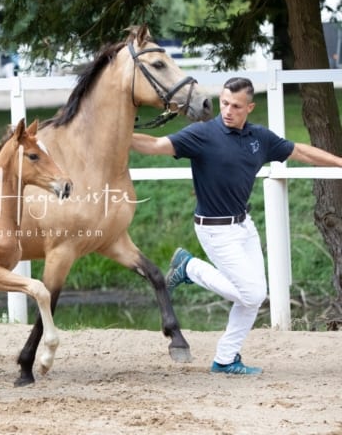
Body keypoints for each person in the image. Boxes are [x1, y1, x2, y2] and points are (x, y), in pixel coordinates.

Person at [131, 77, 342, 375]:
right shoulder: (202, 134)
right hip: (214, 230)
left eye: (236, 106)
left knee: (252, 297)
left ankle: (226, 359)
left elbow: (301, 152)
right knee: (254, 294)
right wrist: (117, 134)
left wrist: (340, 163)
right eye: (225, 103)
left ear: (250, 108)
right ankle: (190, 268)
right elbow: (154, 145)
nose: (228, 110)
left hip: (244, 226)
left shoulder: (260, 139)